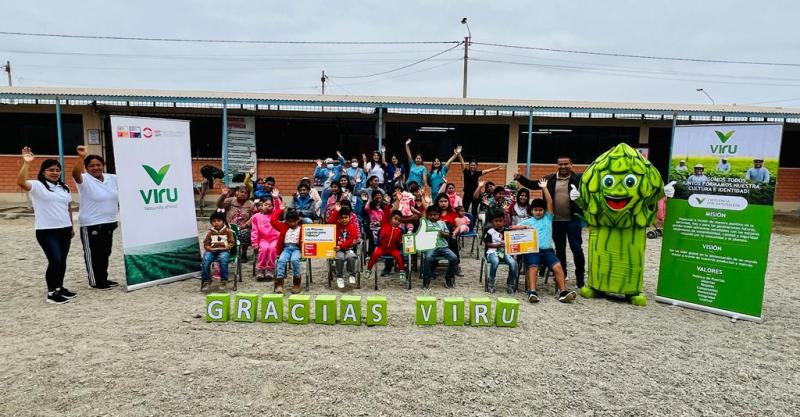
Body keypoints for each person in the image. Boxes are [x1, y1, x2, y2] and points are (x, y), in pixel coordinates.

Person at [514, 156, 586, 288]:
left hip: (573, 220)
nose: (563, 166)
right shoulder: (549, 178)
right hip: (556, 221)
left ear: (571, 164)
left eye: (566, 164)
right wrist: (520, 177)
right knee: (560, 249)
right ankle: (562, 277)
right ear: (557, 165)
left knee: (576, 248)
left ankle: (580, 278)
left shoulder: (580, 178)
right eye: (560, 164)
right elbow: (532, 184)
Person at [17, 147, 76, 304]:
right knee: (55, 260)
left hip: (64, 229)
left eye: (58, 170)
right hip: (46, 231)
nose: (55, 172)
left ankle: (59, 287)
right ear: (43, 172)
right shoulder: (37, 186)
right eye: (51, 170)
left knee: (62, 261)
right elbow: (21, 182)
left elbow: (68, 207)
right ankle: (51, 293)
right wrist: (26, 163)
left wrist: (71, 226)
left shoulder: (64, 187)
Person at [518, 178, 577, 304]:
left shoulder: (548, 218)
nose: (538, 212)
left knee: (558, 267)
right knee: (533, 267)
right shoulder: (528, 221)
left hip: (548, 251)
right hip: (532, 250)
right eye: (535, 210)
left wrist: (544, 188)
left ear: (544, 211)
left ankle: (563, 292)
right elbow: (512, 228)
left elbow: (550, 202)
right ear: (531, 210)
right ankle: (532, 291)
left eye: (540, 210)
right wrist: (524, 227)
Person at [71, 145, 119, 290]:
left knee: (105, 252)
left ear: (103, 166)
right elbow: (75, 173)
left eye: (98, 165)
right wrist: (81, 157)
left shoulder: (112, 178)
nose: (96, 168)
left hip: (109, 222)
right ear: (86, 168)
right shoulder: (84, 180)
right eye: (91, 166)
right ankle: (95, 282)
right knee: (93, 254)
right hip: (91, 224)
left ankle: (103, 278)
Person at [419, 206, 459, 289]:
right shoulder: (425, 223)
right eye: (430, 215)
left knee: (454, 258)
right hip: (430, 246)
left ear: (439, 215)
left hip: (442, 246)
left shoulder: (442, 223)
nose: (433, 216)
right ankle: (426, 280)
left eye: (435, 214)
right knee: (428, 258)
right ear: (428, 215)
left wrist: (442, 233)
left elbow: (448, 234)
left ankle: (449, 278)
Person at [363, 206, 406, 281]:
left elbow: (400, 240)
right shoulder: (385, 225)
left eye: (399, 220)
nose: (397, 221)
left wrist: (401, 242)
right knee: (375, 254)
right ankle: (369, 270)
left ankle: (402, 271)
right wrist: (388, 205)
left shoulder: (400, 230)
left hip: (393, 249)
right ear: (390, 219)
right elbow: (386, 214)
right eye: (395, 219)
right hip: (382, 248)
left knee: (398, 256)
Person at [483, 210, 520, 294]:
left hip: (505, 251)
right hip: (492, 251)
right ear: (492, 222)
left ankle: (510, 283)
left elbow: (514, 241)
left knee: (513, 263)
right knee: (495, 262)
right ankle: (490, 282)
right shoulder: (490, 232)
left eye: (500, 221)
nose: (498, 223)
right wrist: (496, 245)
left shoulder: (508, 231)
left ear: (504, 222)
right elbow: (487, 244)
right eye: (496, 221)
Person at [458, 153, 503, 220]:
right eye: (471, 165)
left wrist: (497, 168)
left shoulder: (478, 173)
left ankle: (473, 224)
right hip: (467, 194)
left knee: (474, 210)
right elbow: (462, 162)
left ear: (476, 166)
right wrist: (459, 154)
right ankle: (465, 222)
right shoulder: (466, 172)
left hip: (476, 195)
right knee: (465, 209)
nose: (472, 166)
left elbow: (488, 170)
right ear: (469, 165)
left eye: (474, 165)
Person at [271, 205, 304, 294]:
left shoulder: (302, 228)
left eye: (295, 221)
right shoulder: (283, 226)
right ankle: (279, 284)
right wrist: (280, 210)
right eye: (290, 222)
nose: (293, 223)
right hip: (286, 248)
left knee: (295, 260)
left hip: (296, 248)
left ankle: (297, 283)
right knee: (281, 261)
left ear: (298, 220)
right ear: (287, 221)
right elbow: (273, 221)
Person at [217, 185, 254, 262]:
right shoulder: (230, 200)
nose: (243, 194)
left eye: (246, 193)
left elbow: (253, 217)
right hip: (229, 226)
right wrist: (223, 196)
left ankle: (243, 254)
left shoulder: (250, 203)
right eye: (242, 192)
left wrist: (246, 225)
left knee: (246, 233)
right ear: (236, 192)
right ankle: (226, 252)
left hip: (243, 227)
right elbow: (219, 205)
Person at [201, 210, 235, 292]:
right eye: (214, 221)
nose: (216, 223)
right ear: (211, 223)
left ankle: (223, 280)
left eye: (219, 221)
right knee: (205, 260)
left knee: (223, 260)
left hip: (223, 250)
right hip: (212, 250)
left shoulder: (228, 231)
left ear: (223, 222)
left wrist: (226, 248)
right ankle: (206, 280)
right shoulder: (210, 232)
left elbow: (231, 242)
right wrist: (210, 248)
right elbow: (206, 243)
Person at [250, 196, 282, 281]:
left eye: (270, 205)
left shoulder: (274, 215)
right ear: (261, 205)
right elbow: (254, 231)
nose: (268, 207)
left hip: (275, 239)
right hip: (263, 239)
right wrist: (254, 243)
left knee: (272, 249)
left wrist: (275, 198)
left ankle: (270, 269)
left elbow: (279, 208)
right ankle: (260, 269)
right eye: (265, 204)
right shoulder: (256, 217)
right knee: (263, 249)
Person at [329, 204, 360, 289]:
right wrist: (336, 211)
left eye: (346, 217)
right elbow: (330, 222)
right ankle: (339, 277)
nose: (344, 220)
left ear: (349, 217)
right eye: (341, 218)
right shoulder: (336, 225)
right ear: (338, 218)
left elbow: (352, 239)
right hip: (338, 250)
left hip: (348, 248)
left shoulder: (352, 226)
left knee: (351, 257)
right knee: (340, 258)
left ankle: (352, 274)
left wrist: (341, 246)